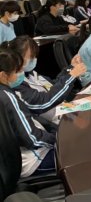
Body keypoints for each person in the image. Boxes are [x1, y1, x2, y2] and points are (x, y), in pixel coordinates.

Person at [0, 46, 57, 177]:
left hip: (14, 162)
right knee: (79, 152)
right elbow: (33, 139)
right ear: (3, 75)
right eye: (17, 71)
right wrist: (57, 139)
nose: (21, 73)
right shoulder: (7, 97)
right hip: (33, 160)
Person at [9, 36, 86, 124]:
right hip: (55, 122)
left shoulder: (30, 73)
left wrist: (71, 68)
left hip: (64, 110)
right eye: (31, 57)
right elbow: (44, 102)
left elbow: (53, 86)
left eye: (35, 56)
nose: (34, 60)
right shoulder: (16, 84)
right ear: (17, 58)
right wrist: (71, 76)